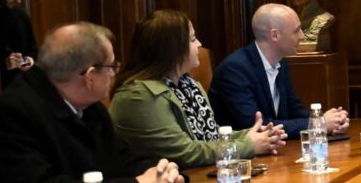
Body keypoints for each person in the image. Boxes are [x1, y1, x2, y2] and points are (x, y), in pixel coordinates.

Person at [0, 22, 185, 183]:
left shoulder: (90, 108)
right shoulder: (11, 113)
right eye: (112, 66)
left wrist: (164, 170)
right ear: (90, 76)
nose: (115, 73)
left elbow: (122, 158)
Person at [109, 10, 287, 169]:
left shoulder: (188, 84)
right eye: (193, 39)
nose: (200, 44)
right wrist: (248, 145)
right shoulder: (139, 96)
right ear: (172, 48)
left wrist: (255, 135)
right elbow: (184, 152)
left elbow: (207, 135)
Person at [208, 4, 349, 139]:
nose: (302, 36)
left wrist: (328, 121)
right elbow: (257, 127)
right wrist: (319, 124)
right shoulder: (235, 69)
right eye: (296, 31)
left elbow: (294, 111)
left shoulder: (280, 62)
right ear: (274, 35)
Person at [0, 0, 38, 89]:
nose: (18, 1)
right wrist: (4, 63)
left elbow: (33, 50)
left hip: (19, 86)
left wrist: (28, 61)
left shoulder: (21, 15)